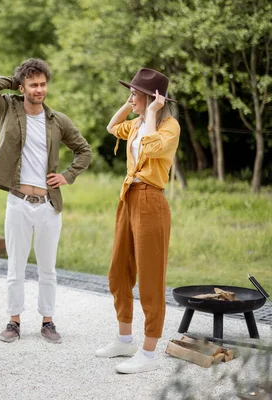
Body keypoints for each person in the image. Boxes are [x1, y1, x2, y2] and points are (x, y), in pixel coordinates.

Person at [0, 58, 92, 344]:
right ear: (23, 86)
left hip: (47, 206)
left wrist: (67, 175)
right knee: (15, 267)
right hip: (18, 202)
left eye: (43, 84)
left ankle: (48, 321)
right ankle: (14, 321)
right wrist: (15, 79)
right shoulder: (7, 108)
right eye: (33, 84)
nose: (39, 89)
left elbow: (84, 151)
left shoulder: (57, 121)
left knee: (48, 268)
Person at [95, 68, 180, 374]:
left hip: (151, 199)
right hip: (128, 197)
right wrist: (132, 104)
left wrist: (154, 111)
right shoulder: (136, 123)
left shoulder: (169, 127)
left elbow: (150, 145)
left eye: (134, 93)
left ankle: (147, 352)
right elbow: (110, 126)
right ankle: (124, 338)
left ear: (154, 99)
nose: (130, 98)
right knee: (118, 270)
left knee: (150, 277)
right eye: (130, 92)